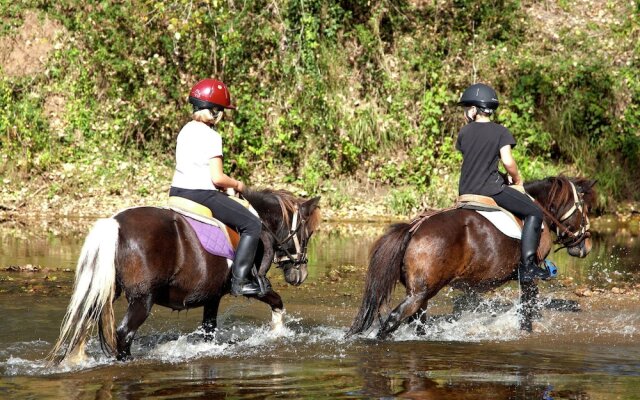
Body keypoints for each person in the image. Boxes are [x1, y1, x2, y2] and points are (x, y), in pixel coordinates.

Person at [169, 78, 263, 296]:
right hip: (201, 195)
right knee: (252, 224)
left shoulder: (185, 130)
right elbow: (217, 178)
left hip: (177, 192)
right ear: (214, 111)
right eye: (221, 111)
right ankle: (239, 281)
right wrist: (238, 184)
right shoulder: (212, 136)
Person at [455, 83, 550, 283]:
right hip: (490, 190)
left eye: (467, 108)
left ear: (474, 110)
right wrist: (516, 179)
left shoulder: (464, 132)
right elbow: (507, 161)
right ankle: (528, 266)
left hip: (465, 192)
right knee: (535, 212)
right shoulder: (500, 132)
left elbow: (477, 161)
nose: (465, 112)